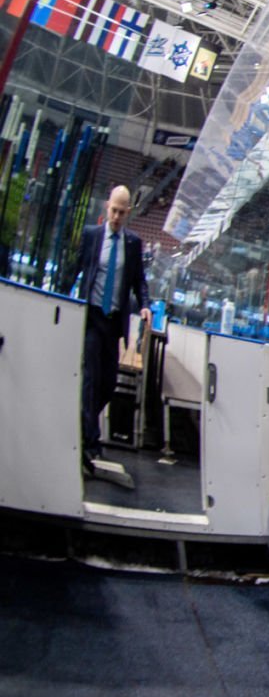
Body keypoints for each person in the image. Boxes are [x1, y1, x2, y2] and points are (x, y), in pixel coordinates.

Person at [68, 186, 146, 484]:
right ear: (107, 207)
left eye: (122, 212)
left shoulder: (133, 243)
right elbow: (76, 269)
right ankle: (90, 441)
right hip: (91, 317)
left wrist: (145, 305)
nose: (116, 217)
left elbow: (139, 281)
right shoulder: (91, 235)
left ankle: (82, 426)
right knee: (90, 379)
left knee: (108, 383)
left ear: (128, 213)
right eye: (114, 210)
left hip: (113, 323)